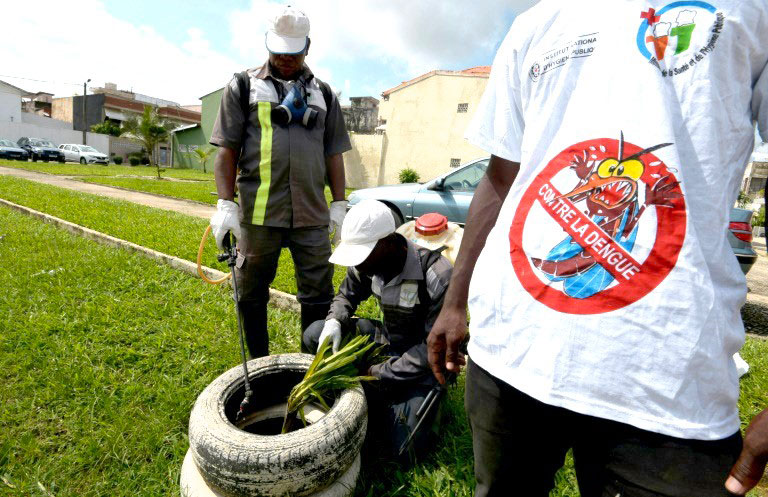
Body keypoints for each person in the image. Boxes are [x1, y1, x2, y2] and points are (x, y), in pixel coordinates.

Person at [427, 2, 768, 496]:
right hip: (510, 355)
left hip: (668, 384)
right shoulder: (536, 23)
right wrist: (454, 303)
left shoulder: (750, 10)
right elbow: (501, 177)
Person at [209, 6, 351, 358]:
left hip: (312, 216)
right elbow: (227, 150)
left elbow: (334, 153)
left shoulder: (324, 94)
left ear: (307, 47)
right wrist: (226, 204)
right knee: (251, 292)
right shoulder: (243, 86)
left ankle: (309, 365)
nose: (286, 59)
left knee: (318, 293)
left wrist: (339, 204)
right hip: (259, 215)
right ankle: (259, 365)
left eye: (294, 52)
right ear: (267, 43)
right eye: (279, 50)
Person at [303, 199, 454, 463]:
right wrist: (335, 320)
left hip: (425, 361)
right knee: (316, 334)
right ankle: (358, 393)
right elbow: (345, 296)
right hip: (390, 339)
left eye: (362, 255)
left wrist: (375, 373)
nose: (358, 265)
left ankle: (426, 401)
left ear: (388, 243)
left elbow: (434, 348)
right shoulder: (368, 264)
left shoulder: (437, 275)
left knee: (404, 450)